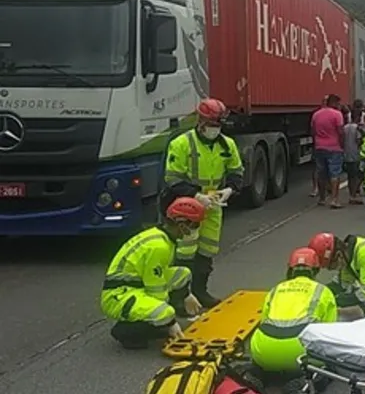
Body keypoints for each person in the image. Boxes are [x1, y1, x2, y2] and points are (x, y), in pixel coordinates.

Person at [163, 98, 244, 308]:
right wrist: (197, 196)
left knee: (207, 251)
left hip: (213, 205)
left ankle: (200, 292)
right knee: (184, 253)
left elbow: (236, 171)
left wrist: (229, 190)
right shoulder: (181, 144)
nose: (215, 129)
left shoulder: (227, 145)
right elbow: (173, 179)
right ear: (200, 122)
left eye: (218, 125)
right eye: (212, 124)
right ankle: (179, 298)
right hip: (186, 206)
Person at [100, 193, 206, 349]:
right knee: (165, 312)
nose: (196, 229)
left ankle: (160, 320)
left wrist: (186, 294)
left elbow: (159, 275)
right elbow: (156, 290)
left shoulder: (162, 237)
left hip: (134, 285)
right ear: (182, 225)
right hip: (119, 295)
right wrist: (169, 322)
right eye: (195, 225)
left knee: (183, 274)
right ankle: (125, 332)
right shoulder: (159, 247)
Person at [249, 247, 338, 377]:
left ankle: (260, 376)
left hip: (263, 351)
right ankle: (308, 379)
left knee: (263, 356)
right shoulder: (323, 291)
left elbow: (263, 321)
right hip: (300, 354)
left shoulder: (276, 289)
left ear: (290, 269)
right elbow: (329, 331)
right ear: (316, 270)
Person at [312, 94, 346, 209]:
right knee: (334, 173)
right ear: (334, 103)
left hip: (319, 147)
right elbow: (340, 131)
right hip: (334, 147)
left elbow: (312, 130)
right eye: (338, 103)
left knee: (321, 173)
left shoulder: (316, 114)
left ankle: (322, 199)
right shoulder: (337, 114)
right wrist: (342, 145)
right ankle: (334, 200)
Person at [342, 108, 365, 205]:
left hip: (346, 153)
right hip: (356, 154)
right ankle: (353, 195)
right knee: (358, 175)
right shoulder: (357, 128)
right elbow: (359, 141)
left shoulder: (345, 127)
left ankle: (351, 194)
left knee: (350, 176)